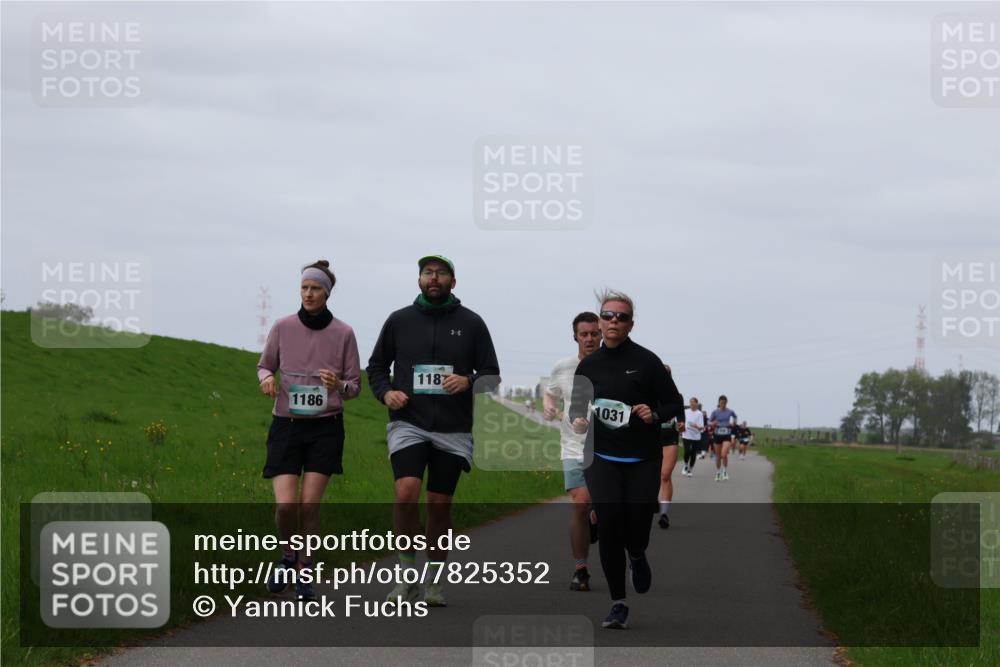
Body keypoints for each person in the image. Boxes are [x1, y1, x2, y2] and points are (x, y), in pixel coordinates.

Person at [366, 255, 500, 607]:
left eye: (441, 273)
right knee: (406, 491)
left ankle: (434, 583)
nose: (434, 278)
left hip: (453, 429)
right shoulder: (399, 321)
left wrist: (467, 380)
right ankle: (406, 579)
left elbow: (491, 374)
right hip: (409, 421)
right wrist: (386, 392)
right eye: (427, 273)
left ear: (453, 282)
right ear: (419, 280)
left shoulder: (472, 323)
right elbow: (377, 366)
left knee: (439, 506)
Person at [569, 289, 684, 630]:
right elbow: (577, 407)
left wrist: (654, 413)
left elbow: (674, 404)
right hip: (602, 457)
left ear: (631, 324)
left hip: (642, 458)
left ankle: (637, 554)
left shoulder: (647, 362)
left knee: (636, 526)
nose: (613, 321)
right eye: (607, 315)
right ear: (600, 321)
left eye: (621, 316)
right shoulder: (588, 366)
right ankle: (618, 602)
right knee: (608, 524)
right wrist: (579, 419)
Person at [257, 260, 361, 601]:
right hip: (286, 425)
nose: (308, 294)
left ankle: (305, 569)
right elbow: (264, 365)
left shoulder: (343, 333)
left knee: (308, 506)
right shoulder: (282, 327)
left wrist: (340, 384)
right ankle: (288, 556)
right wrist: (268, 379)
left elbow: (355, 388)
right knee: (286, 506)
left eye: (315, 288)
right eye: (304, 288)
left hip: (325, 427)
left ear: (327, 293)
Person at [543, 312, 602, 590]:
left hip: (608, 448)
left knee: (602, 507)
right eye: (584, 334)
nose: (589, 339)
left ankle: (597, 517)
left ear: (602, 334)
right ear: (575, 336)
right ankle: (581, 569)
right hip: (573, 446)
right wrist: (549, 406)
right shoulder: (563, 367)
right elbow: (551, 391)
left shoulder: (613, 366)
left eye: (594, 333)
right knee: (580, 502)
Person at [657, 365, 682, 530]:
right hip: (650, 440)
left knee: (665, 475)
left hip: (670, 439)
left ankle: (664, 514)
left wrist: (682, 424)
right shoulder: (647, 395)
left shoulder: (676, 397)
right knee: (651, 476)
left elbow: (681, 418)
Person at [709, 395, 738, 481]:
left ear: (726, 403)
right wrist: (713, 423)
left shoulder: (730, 411)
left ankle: (725, 471)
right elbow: (709, 421)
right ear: (719, 403)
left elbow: (735, 417)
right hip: (717, 434)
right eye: (721, 403)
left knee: (724, 454)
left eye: (724, 403)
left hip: (727, 434)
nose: (723, 404)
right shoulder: (715, 412)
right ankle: (718, 473)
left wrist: (734, 423)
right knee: (718, 455)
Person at [681, 397, 705, 477]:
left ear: (696, 404)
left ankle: (690, 469)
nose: (691, 404)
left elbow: (701, 427)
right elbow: (681, 420)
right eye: (690, 402)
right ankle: (685, 465)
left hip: (695, 436)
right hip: (686, 434)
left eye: (693, 402)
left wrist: (696, 426)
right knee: (687, 450)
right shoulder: (685, 411)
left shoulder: (699, 414)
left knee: (693, 453)